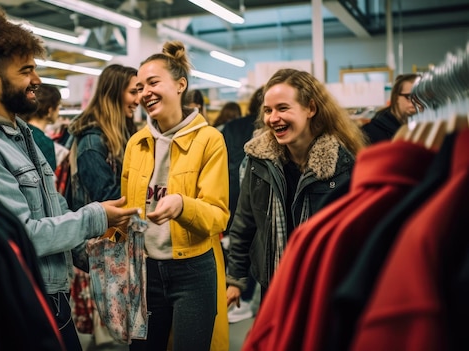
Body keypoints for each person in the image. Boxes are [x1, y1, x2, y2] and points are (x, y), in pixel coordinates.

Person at [0, 8, 139, 350]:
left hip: (52, 291)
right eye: (26, 71)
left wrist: (102, 246)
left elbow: (54, 212)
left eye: (34, 68)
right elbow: (23, 235)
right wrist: (97, 216)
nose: (36, 79)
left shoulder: (20, 134)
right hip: (23, 298)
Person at [225, 68, 366, 311]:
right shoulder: (259, 162)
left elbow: (357, 238)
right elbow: (245, 222)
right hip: (273, 283)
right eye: (268, 110)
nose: (272, 118)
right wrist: (236, 279)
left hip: (324, 287)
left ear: (311, 108)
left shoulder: (342, 165)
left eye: (283, 108)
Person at [123, 40, 229, 351]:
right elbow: (129, 207)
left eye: (154, 82)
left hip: (193, 270)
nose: (145, 93)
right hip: (145, 270)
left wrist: (182, 205)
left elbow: (217, 215)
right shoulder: (137, 143)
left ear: (180, 85)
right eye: (140, 87)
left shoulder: (210, 140)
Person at [66, 63, 139, 345]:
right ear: (115, 92)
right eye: (134, 91)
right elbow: (108, 198)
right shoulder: (93, 141)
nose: (139, 98)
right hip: (101, 248)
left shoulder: (121, 133)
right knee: (112, 334)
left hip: (115, 246)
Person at [220, 86, 264, 323]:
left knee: (238, 243)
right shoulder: (267, 132)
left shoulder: (232, 127)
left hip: (231, 197)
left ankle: (238, 295)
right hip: (253, 199)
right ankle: (245, 298)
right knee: (255, 245)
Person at [362, 73, 420, 144]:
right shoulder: (370, 132)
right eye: (409, 97)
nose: (417, 102)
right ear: (396, 98)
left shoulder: (425, 130)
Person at [23, 84, 62, 170]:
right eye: (58, 106)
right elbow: (49, 179)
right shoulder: (45, 143)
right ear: (50, 110)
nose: (59, 110)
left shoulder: (19, 131)